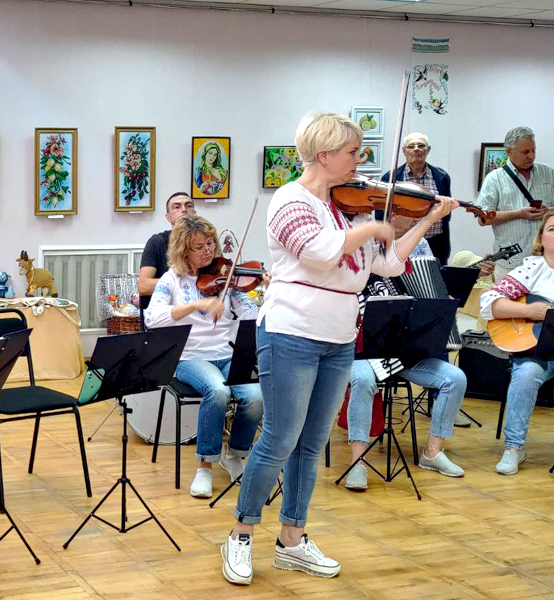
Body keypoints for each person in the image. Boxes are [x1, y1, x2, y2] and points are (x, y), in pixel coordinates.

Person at [220, 112, 456, 585]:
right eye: (352, 152)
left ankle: (292, 539)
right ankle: (240, 534)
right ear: (324, 154)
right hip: (291, 332)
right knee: (280, 439)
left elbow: (389, 264)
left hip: (340, 336)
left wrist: (427, 218)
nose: (360, 160)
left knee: (312, 443)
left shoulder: (348, 207)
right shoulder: (290, 200)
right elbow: (319, 253)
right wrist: (372, 229)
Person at [343, 215, 467, 491]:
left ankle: (432, 452)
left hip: (403, 353)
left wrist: (439, 308)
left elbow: (422, 314)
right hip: (359, 353)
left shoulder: (405, 271)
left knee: (455, 378)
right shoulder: (347, 272)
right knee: (362, 379)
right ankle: (358, 461)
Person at [144, 214, 264, 498]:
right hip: (189, 358)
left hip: (228, 354)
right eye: (199, 247)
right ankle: (205, 466)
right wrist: (196, 305)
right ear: (183, 250)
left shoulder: (227, 279)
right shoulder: (171, 280)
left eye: (210, 243)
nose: (208, 250)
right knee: (218, 391)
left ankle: (234, 455)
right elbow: (152, 317)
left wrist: (268, 294)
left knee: (256, 396)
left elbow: (251, 315)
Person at [480, 209, 554, 475]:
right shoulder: (533, 268)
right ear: (541, 238)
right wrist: (529, 311)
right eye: (552, 229)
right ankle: (513, 447)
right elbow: (489, 302)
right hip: (538, 352)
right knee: (526, 374)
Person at [477, 126, 554, 281]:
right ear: (509, 152)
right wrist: (518, 214)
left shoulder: (548, 172)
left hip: (547, 261)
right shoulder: (494, 179)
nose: (531, 156)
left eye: (533, 150)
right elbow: (483, 218)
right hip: (510, 264)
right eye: (525, 152)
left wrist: (549, 212)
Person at [380, 132, 453, 264]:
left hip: (435, 243)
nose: (416, 149)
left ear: (428, 150)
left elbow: (446, 214)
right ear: (404, 151)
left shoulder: (442, 177)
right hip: (402, 243)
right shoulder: (390, 178)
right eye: (411, 146)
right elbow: (381, 216)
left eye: (421, 145)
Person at [138, 192, 196, 296]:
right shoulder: (156, 242)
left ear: (195, 214)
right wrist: (185, 282)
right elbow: (144, 287)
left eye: (188, 206)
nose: (184, 209)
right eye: (177, 207)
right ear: (168, 217)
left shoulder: (206, 242)